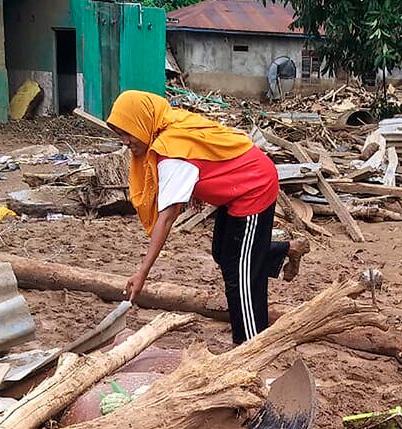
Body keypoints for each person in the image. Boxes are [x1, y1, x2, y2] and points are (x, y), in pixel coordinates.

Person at [105, 90, 308, 345]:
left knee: (241, 275)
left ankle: (249, 344)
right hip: (236, 186)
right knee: (223, 252)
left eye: (127, 133)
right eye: (120, 134)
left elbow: (167, 218)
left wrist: (142, 273)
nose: (125, 141)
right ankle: (288, 249)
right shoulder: (168, 122)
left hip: (253, 187)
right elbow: (205, 155)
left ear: (142, 122)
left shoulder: (171, 152)